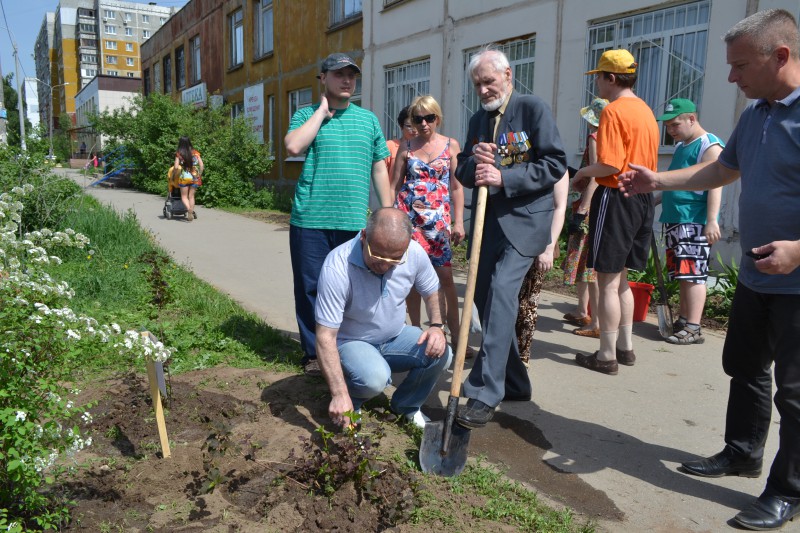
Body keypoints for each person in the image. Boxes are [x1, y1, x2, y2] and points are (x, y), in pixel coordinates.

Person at [618, 9, 800, 530]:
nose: (730, 78)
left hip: (797, 282)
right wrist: (660, 181)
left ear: (780, 56)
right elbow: (722, 168)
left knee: (795, 392)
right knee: (744, 367)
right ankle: (742, 452)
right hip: (757, 275)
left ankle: (788, 490)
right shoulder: (758, 114)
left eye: (740, 66)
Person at [454, 46, 567, 429]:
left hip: (524, 222)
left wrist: (505, 177)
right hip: (487, 226)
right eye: (477, 84)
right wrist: (474, 162)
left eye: (489, 81)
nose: (484, 89)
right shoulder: (478, 121)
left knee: (502, 292)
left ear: (507, 75)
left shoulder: (532, 109)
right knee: (486, 301)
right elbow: (463, 170)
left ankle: (485, 392)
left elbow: (554, 163)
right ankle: (515, 381)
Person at [284, 53, 393, 376]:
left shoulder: (368, 119)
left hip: (354, 221)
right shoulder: (305, 114)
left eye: (352, 75)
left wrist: (386, 213)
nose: (347, 80)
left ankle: (351, 347)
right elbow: (293, 146)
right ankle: (314, 354)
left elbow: (379, 167)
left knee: (356, 288)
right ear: (323, 78)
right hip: (311, 219)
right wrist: (320, 112)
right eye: (338, 74)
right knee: (310, 287)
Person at [315, 208, 453, 429]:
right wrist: (338, 393)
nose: (386, 265)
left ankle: (406, 406)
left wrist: (437, 326)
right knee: (375, 378)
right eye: (378, 257)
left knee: (441, 352)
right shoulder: (338, 266)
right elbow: (325, 336)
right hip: (351, 342)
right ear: (363, 237)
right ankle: (350, 398)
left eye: (395, 259)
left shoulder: (414, 253)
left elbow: (432, 290)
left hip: (394, 336)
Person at [571, 49, 659, 376]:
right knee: (621, 278)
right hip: (642, 197)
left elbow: (610, 163)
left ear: (611, 78)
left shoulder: (613, 111)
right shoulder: (646, 110)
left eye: (599, 75)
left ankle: (606, 355)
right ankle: (625, 347)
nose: (596, 82)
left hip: (616, 195)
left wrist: (581, 174)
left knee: (607, 280)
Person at [391, 95, 468, 355]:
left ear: (438, 118)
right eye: (418, 118)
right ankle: (415, 333)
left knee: (445, 278)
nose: (424, 123)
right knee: (411, 278)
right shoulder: (407, 147)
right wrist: (389, 219)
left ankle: (455, 335)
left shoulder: (451, 145)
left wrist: (459, 222)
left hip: (438, 223)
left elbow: (457, 186)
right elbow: (394, 186)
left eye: (429, 118)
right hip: (409, 220)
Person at [655, 98, 724, 345]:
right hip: (676, 219)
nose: (671, 131)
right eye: (668, 127)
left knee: (694, 275)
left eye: (675, 125)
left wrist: (712, 220)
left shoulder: (709, 145)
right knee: (683, 274)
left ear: (691, 119)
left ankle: (694, 327)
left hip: (694, 221)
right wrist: (653, 201)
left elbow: (716, 183)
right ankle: (684, 320)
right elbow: (676, 182)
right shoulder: (683, 146)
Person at [562, 98, 608, 339]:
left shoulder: (595, 137)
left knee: (590, 268)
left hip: (589, 208)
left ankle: (596, 324)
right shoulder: (609, 138)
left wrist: (583, 209)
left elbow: (596, 177)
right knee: (584, 265)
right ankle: (583, 311)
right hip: (600, 206)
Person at [515, 170, 569, 366]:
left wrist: (548, 247)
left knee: (527, 302)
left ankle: (521, 356)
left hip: (538, 242)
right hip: (512, 237)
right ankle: (502, 351)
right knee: (502, 300)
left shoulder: (557, 167)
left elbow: (559, 207)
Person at [173, 136, 204, 222]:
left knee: (184, 197)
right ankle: (191, 210)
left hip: (184, 177)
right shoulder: (195, 152)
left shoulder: (179, 153)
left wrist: (174, 175)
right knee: (191, 196)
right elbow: (201, 165)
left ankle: (189, 209)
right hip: (195, 176)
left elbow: (175, 167)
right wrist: (199, 174)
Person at [385, 106, 417, 179]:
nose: (415, 130)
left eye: (417, 125)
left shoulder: (426, 148)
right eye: (410, 126)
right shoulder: (390, 146)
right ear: (401, 126)